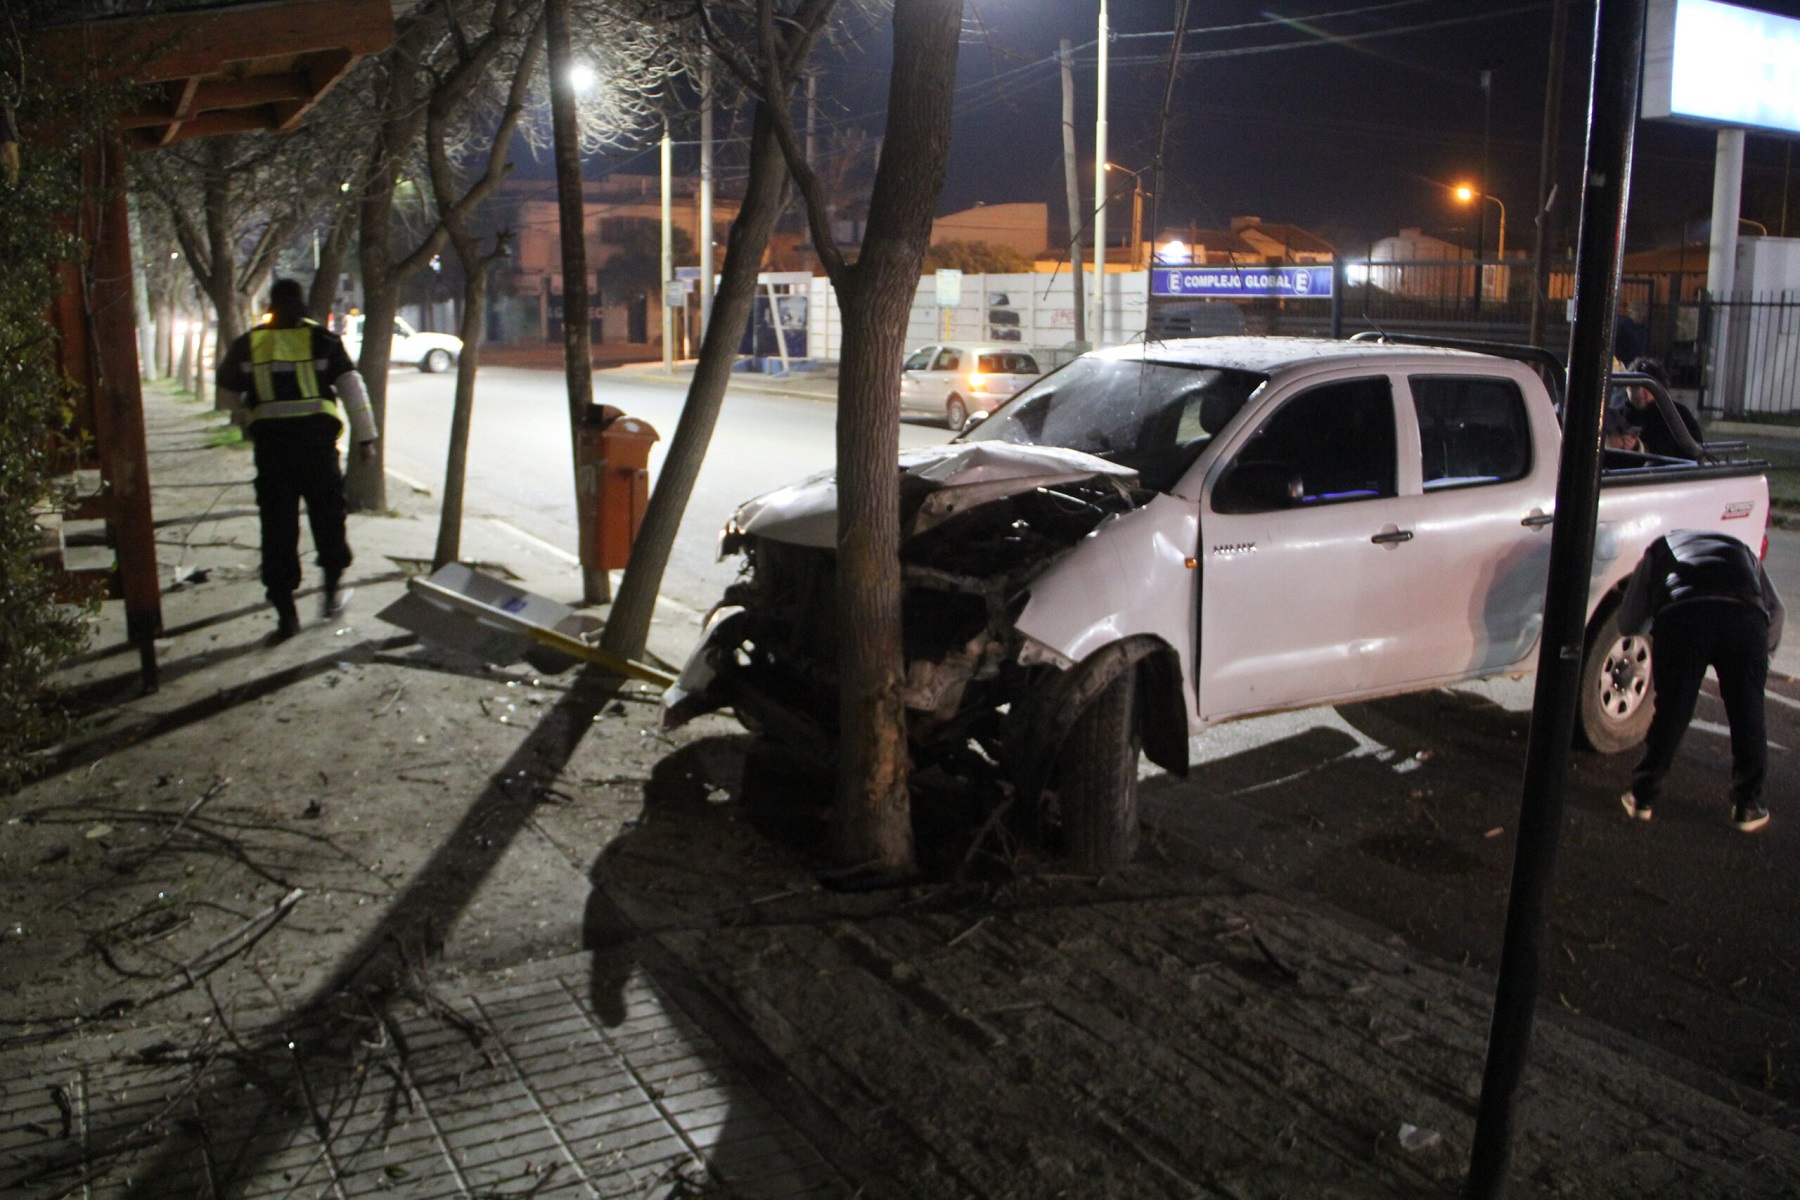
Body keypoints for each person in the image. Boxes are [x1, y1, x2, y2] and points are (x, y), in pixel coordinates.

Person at [217, 279, 378, 642]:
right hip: (317, 452)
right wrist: (366, 438)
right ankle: (331, 594)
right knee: (328, 519)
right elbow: (354, 390)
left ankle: (286, 614)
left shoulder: (251, 343)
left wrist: (247, 413)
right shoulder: (323, 340)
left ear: (272, 303)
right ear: (302, 302)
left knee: (276, 530)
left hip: (272, 455)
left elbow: (226, 394)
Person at [1617, 529, 1784, 832]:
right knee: (1748, 711)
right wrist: (1761, 656)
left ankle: (1643, 796)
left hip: (1684, 616)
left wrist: (1652, 628)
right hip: (1746, 619)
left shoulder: (1659, 549)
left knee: (1674, 709)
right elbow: (1777, 610)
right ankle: (1748, 805)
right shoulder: (1742, 550)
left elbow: (1628, 621)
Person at [1618, 357, 1703, 459]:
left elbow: (1695, 452)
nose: (1639, 392)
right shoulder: (1617, 415)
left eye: (1646, 387)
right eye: (1634, 387)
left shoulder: (1677, 415)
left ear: (1659, 387)